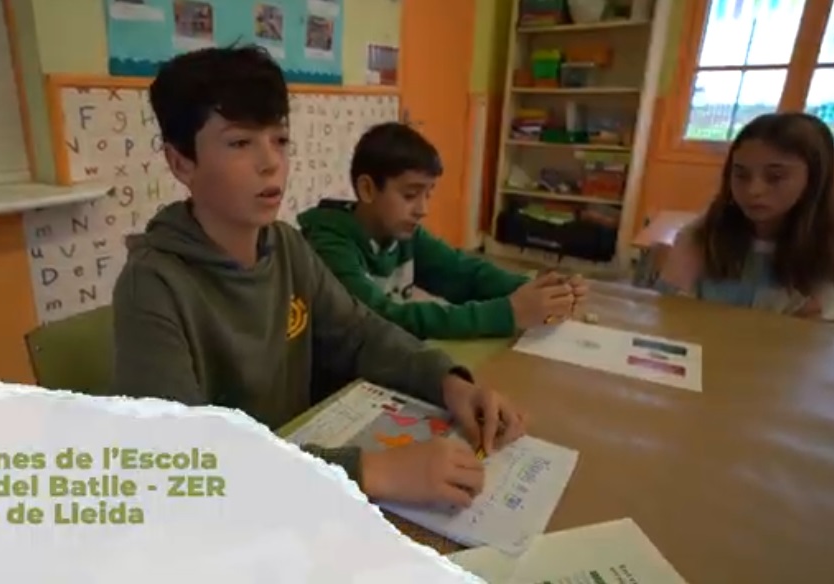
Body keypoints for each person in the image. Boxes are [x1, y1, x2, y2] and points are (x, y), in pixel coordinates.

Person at [111, 45, 528, 509]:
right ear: (181, 162)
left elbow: (360, 333)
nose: (270, 162)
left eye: (280, 139)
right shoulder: (152, 286)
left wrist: (449, 382)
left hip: (302, 477)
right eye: (240, 143)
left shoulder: (287, 246)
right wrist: (371, 471)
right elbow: (182, 462)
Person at [298, 122, 589, 340]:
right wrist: (508, 313)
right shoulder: (328, 244)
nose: (422, 209)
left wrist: (540, 291)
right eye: (410, 195)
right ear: (367, 189)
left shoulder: (405, 234)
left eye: (428, 194)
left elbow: (464, 273)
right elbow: (381, 319)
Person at [656, 112, 834, 320]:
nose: (753, 190)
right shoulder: (702, 237)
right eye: (741, 174)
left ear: (814, 180)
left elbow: (828, 331)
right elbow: (668, 315)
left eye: (775, 177)